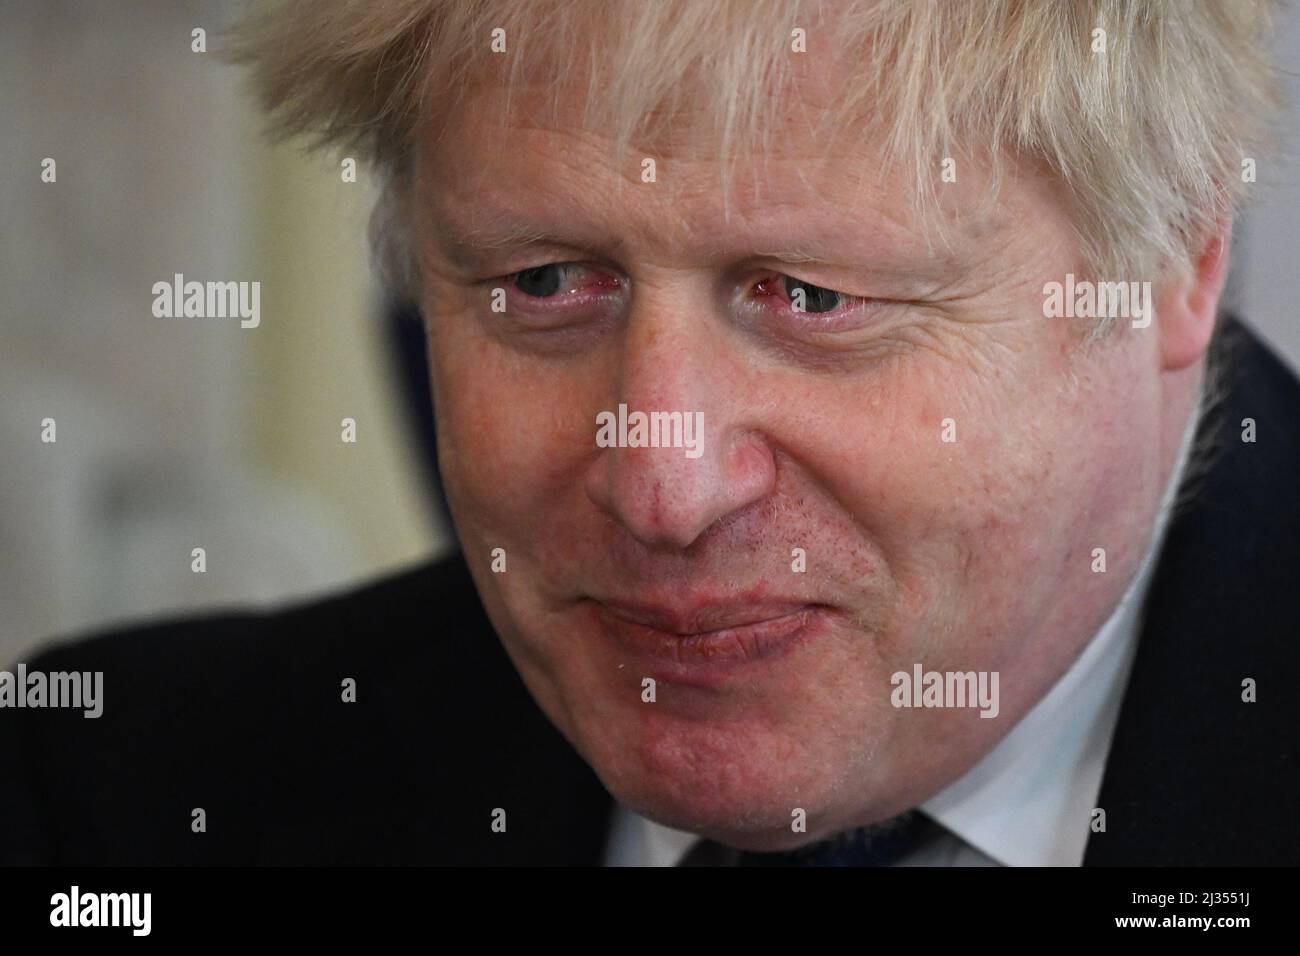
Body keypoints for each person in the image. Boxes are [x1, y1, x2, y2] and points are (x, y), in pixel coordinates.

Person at [2, 0, 1296, 866]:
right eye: (548, 285)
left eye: (811, 298)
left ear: (1176, 257)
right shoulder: (114, 810)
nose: (662, 488)